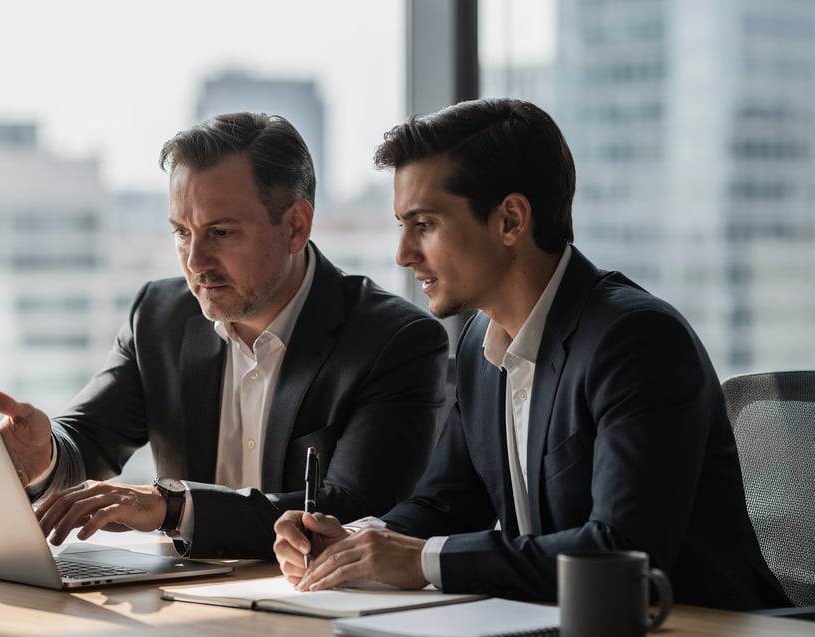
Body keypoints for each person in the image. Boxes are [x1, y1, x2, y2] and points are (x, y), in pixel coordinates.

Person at [273, 98, 791, 610]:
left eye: (424, 225)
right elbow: (445, 503)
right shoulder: (480, 342)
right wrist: (353, 541)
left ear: (510, 220)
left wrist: (420, 561)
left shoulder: (637, 341)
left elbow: (620, 554)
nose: (404, 254)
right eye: (401, 226)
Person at [0, 112, 449, 559]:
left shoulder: (395, 341)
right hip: (188, 609)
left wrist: (173, 508)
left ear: (295, 226)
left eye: (221, 232)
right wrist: (44, 454)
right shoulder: (159, 316)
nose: (195, 261)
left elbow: (355, 512)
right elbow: (86, 443)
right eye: (182, 233)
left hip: (319, 609)